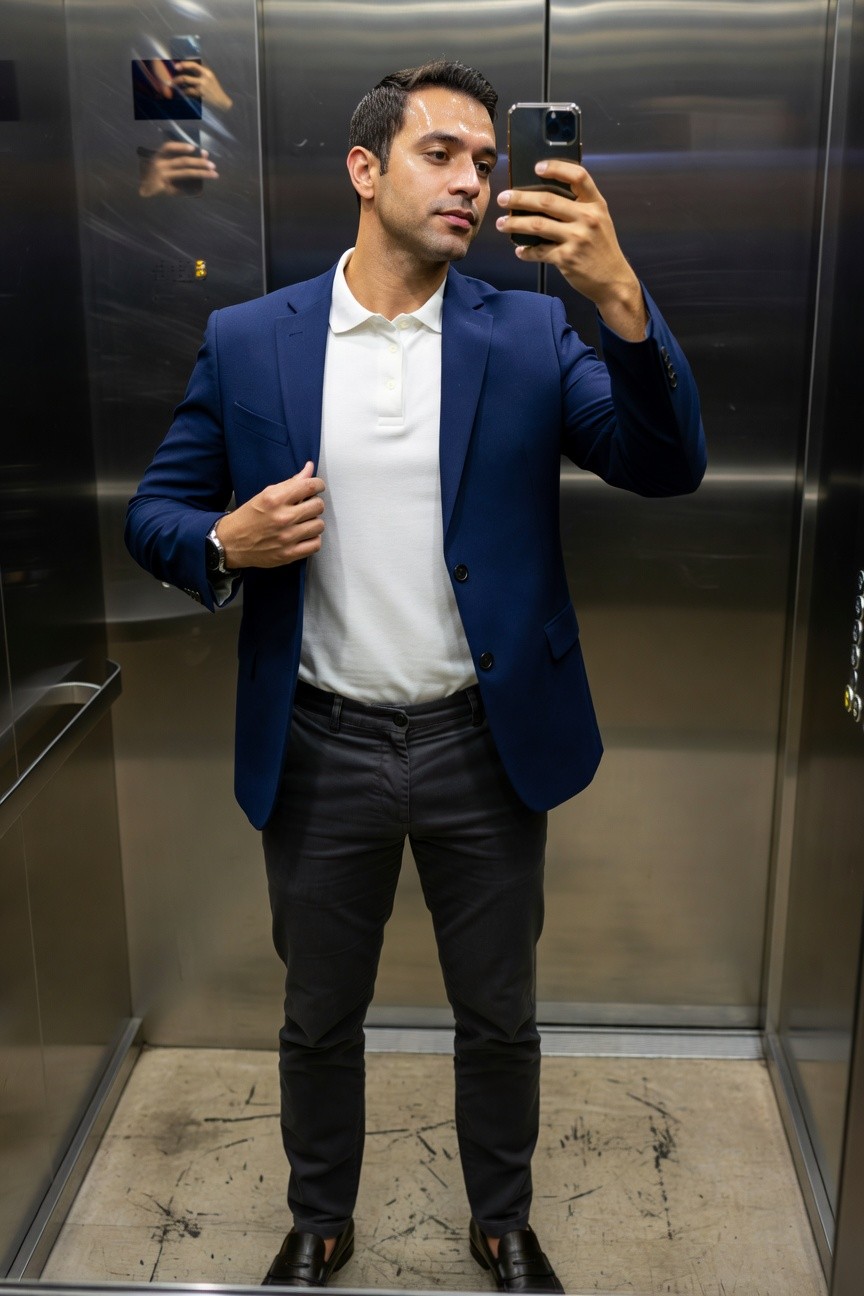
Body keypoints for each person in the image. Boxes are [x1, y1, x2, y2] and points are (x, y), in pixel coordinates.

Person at [126, 59, 706, 1293]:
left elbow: (664, 464)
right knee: (316, 1016)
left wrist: (620, 298)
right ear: (365, 167)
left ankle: (504, 1221)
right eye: (442, 153)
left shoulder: (530, 331)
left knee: (499, 1014)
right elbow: (154, 513)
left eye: (487, 163)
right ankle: (319, 1221)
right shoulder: (253, 339)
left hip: (482, 744)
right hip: (319, 744)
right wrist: (224, 542)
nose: (472, 182)